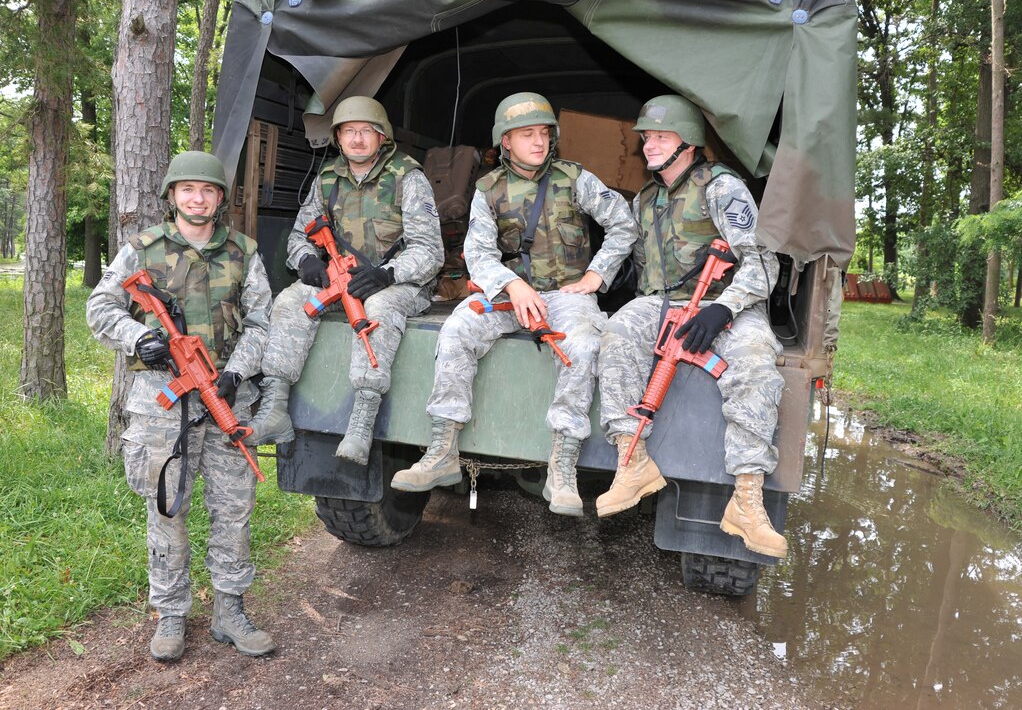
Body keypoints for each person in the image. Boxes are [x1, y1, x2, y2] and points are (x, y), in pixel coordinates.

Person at [390, 92, 638, 516]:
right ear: (506, 141)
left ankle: (562, 468)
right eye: (527, 134)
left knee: (581, 345)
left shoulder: (575, 179)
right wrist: (513, 287)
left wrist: (597, 276)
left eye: (544, 133)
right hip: (510, 295)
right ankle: (443, 449)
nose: (539, 142)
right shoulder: (488, 189)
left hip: (566, 295)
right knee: (457, 329)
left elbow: (623, 223)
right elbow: (479, 253)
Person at [86, 151, 275, 661]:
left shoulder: (243, 253)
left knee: (234, 510)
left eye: (208, 191)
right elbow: (100, 306)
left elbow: (261, 323)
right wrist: (137, 339)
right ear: (172, 196)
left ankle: (229, 611)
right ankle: (171, 613)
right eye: (188, 190)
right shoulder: (143, 249)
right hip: (161, 404)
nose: (198, 198)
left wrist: (237, 370)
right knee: (167, 509)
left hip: (226, 400)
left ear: (219, 199)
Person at [596, 95, 788, 558]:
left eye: (661, 136)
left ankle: (746, 499)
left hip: (727, 304)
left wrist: (725, 310)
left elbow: (763, 263)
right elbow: (642, 270)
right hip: (663, 302)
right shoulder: (645, 198)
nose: (650, 145)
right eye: (646, 137)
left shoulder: (722, 188)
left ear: (688, 142)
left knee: (758, 364)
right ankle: (633, 462)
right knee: (618, 333)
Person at [246, 96, 443, 463]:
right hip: (341, 277)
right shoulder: (327, 180)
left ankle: (361, 423)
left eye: (366, 131)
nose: (356, 139)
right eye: (349, 131)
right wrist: (306, 260)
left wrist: (388, 273)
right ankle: (275, 407)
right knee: (291, 300)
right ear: (337, 138)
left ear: (382, 137)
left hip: (400, 283)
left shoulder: (407, 178)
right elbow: (299, 235)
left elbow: (430, 251)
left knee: (379, 307)